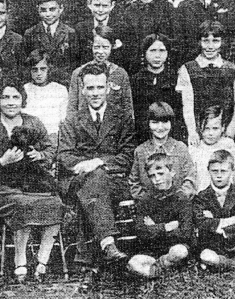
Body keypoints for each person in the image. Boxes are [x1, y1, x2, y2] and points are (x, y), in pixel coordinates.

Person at [0, 82, 65, 283]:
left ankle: (43, 259)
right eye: (6, 98)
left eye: (15, 97)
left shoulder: (34, 122)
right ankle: (20, 259)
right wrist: (1, 162)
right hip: (1, 188)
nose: (11, 102)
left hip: (33, 183)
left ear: (22, 100)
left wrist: (39, 155)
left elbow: (50, 150)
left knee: (56, 203)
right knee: (23, 204)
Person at [57, 63, 135, 290]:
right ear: (82, 90)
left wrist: (98, 162)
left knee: (92, 190)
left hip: (115, 179)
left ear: (108, 88)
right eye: (90, 88)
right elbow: (64, 156)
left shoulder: (122, 118)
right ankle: (108, 244)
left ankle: (88, 267)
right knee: (93, 182)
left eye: (100, 87)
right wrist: (86, 166)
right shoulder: (72, 120)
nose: (95, 93)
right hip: (77, 179)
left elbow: (128, 154)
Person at [126, 153, 195, 279]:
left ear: (172, 172)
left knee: (179, 252)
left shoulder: (181, 199)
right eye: (152, 176)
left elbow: (185, 233)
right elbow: (141, 232)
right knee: (132, 263)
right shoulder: (145, 200)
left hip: (174, 247)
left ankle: (157, 268)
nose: (157, 179)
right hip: (152, 250)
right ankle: (162, 268)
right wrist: (166, 227)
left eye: (161, 174)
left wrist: (153, 227)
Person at [178, 21, 235, 143]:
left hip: (225, 133)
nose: (210, 46)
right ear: (199, 42)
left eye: (215, 41)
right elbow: (187, 105)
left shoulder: (232, 69)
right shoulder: (188, 69)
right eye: (205, 41)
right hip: (199, 135)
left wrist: (231, 130)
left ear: (222, 42)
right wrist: (192, 132)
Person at [116, 0, 182, 71]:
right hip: (136, 69)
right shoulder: (128, 11)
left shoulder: (168, 9)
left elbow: (176, 42)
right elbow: (126, 46)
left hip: (164, 69)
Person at [128, 102, 196, 200]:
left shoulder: (180, 148)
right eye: (155, 123)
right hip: (150, 206)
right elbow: (134, 182)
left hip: (178, 204)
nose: (160, 127)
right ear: (148, 124)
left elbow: (190, 178)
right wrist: (146, 199)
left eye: (165, 122)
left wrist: (180, 196)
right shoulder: (141, 151)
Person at [195, 150, 235, 269]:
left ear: (232, 171)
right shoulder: (201, 197)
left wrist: (216, 224)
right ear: (208, 170)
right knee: (206, 256)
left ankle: (222, 263)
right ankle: (234, 263)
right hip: (211, 246)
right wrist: (229, 221)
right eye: (214, 171)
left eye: (224, 171)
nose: (219, 175)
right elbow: (200, 223)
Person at [68, 26, 133, 119]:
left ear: (112, 47)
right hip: (84, 126)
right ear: (91, 46)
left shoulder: (120, 73)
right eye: (97, 47)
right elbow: (72, 107)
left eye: (105, 47)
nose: (100, 52)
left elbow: (127, 107)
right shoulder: (78, 73)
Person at [131, 34, 184, 143]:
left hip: (170, 134)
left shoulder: (175, 78)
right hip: (142, 136)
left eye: (162, 51)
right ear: (144, 53)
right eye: (152, 51)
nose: (157, 56)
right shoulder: (135, 80)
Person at [23, 0, 80, 86]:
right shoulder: (30, 33)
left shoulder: (70, 33)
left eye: (52, 9)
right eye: (43, 10)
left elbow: (74, 63)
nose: (48, 14)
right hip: (38, 84)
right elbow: (26, 64)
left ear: (61, 9)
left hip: (64, 83)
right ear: (38, 10)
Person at [23, 50, 69, 145]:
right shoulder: (25, 89)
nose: (39, 73)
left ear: (49, 69)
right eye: (34, 69)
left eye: (43, 69)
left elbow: (63, 120)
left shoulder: (60, 89)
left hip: (54, 139)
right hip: (30, 140)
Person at [74, 0, 125, 65]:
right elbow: (76, 58)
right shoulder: (80, 28)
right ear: (89, 4)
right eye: (97, 5)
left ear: (112, 6)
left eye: (105, 6)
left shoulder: (122, 28)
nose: (100, 10)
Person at [190, 106, 235, 191]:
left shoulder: (228, 144)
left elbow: (234, 174)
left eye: (215, 128)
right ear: (200, 128)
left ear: (223, 128)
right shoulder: (196, 147)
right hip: (201, 195)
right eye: (206, 128)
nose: (210, 133)